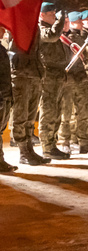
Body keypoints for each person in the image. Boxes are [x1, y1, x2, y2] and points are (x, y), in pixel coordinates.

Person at [7, 20, 50, 165]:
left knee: (30, 116)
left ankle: (29, 149)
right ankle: (23, 151)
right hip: (21, 75)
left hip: (35, 74)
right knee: (21, 115)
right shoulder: (16, 23)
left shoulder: (34, 25)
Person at [58, 10, 88, 155]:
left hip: (81, 78)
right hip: (68, 79)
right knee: (66, 113)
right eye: (79, 21)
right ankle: (65, 141)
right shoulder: (62, 39)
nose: (82, 23)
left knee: (83, 112)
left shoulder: (82, 38)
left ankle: (84, 142)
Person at [37, 3, 71, 160]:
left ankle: (52, 144)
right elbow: (52, 36)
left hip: (58, 75)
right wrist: (61, 19)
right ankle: (47, 147)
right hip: (48, 75)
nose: (55, 17)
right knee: (49, 111)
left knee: (57, 111)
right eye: (51, 14)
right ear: (42, 15)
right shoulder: (41, 29)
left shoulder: (52, 29)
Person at [0, 32, 15, 173]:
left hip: (5, 93)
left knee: (1, 128)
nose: (3, 31)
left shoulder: (1, 48)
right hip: (1, 93)